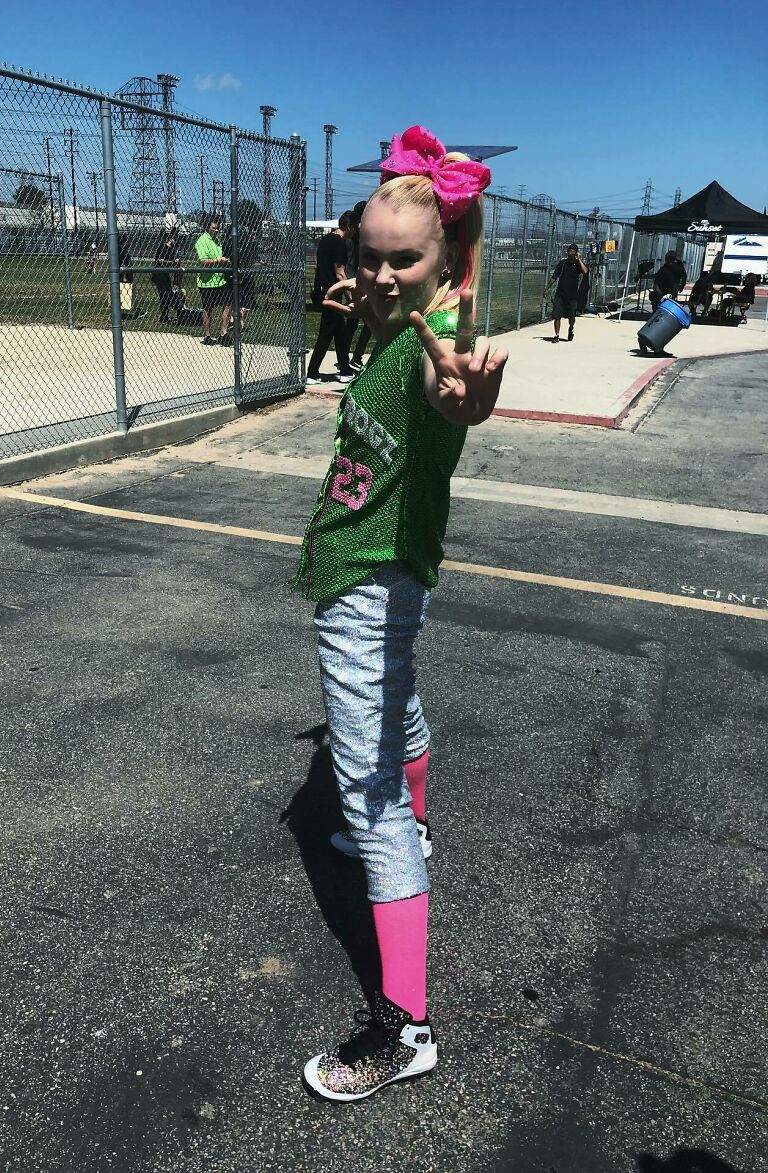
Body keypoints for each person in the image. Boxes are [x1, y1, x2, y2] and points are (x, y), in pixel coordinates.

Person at [292, 125, 507, 1102]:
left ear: (447, 254)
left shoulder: (448, 335)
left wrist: (464, 401)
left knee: (362, 792)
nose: (378, 275)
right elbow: (401, 343)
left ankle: (403, 1027)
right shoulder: (401, 316)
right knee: (393, 708)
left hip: (373, 582)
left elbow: (448, 388)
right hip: (373, 573)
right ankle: (408, 826)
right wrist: (368, 310)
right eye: (365, 258)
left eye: (399, 261)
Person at [306, 211, 357, 384]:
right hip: (330, 293)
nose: (356, 231)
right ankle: (312, 373)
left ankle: (345, 370)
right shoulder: (339, 244)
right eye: (355, 226)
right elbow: (340, 274)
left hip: (322, 290)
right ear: (349, 226)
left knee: (340, 333)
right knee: (326, 334)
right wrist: (351, 297)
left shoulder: (326, 239)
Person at [194, 218, 231, 345]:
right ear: (207, 228)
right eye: (213, 228)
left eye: (217, 228)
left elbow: (219, 258)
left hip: (220, 280)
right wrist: (220, 260)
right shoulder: (202, 241)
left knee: (228, 303)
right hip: (207, 281)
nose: (216, 230)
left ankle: (223, 333)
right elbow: (204, 262)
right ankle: (207, 336)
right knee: (208, 308)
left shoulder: (217, 241)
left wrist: (225, 262)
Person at [345, 200, 372, 372]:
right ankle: (353, 358)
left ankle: (348, 357)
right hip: (356, 281)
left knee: (354, 323)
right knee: (365, 323)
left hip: (356, 281)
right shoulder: (357, 236)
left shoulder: (357, 234)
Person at [543, 243, 588, 342]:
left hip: (572, 296)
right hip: (560, 294)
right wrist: (547, 288)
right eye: (568, 251)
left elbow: (585, 271)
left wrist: (579, 259)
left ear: (576, 253)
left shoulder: (578, 265)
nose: (569, 253)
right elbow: (554, 277)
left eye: (572, 251)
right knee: (557, 315)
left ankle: (571, 328)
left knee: (571, 317)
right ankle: (556, 335)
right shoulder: (562, 264)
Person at [151, 228, 185, 325]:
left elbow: (175, 263)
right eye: (174, 238)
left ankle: (164, 316)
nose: (175, 240)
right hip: (159, 274)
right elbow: (160, 260)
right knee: (165, 295)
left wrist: (177, 261)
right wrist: (172, 262)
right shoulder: (162, 247)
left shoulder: (172, 250)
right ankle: (164, 316)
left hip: (166, 275)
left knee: (165, 296)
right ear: (170, 239)